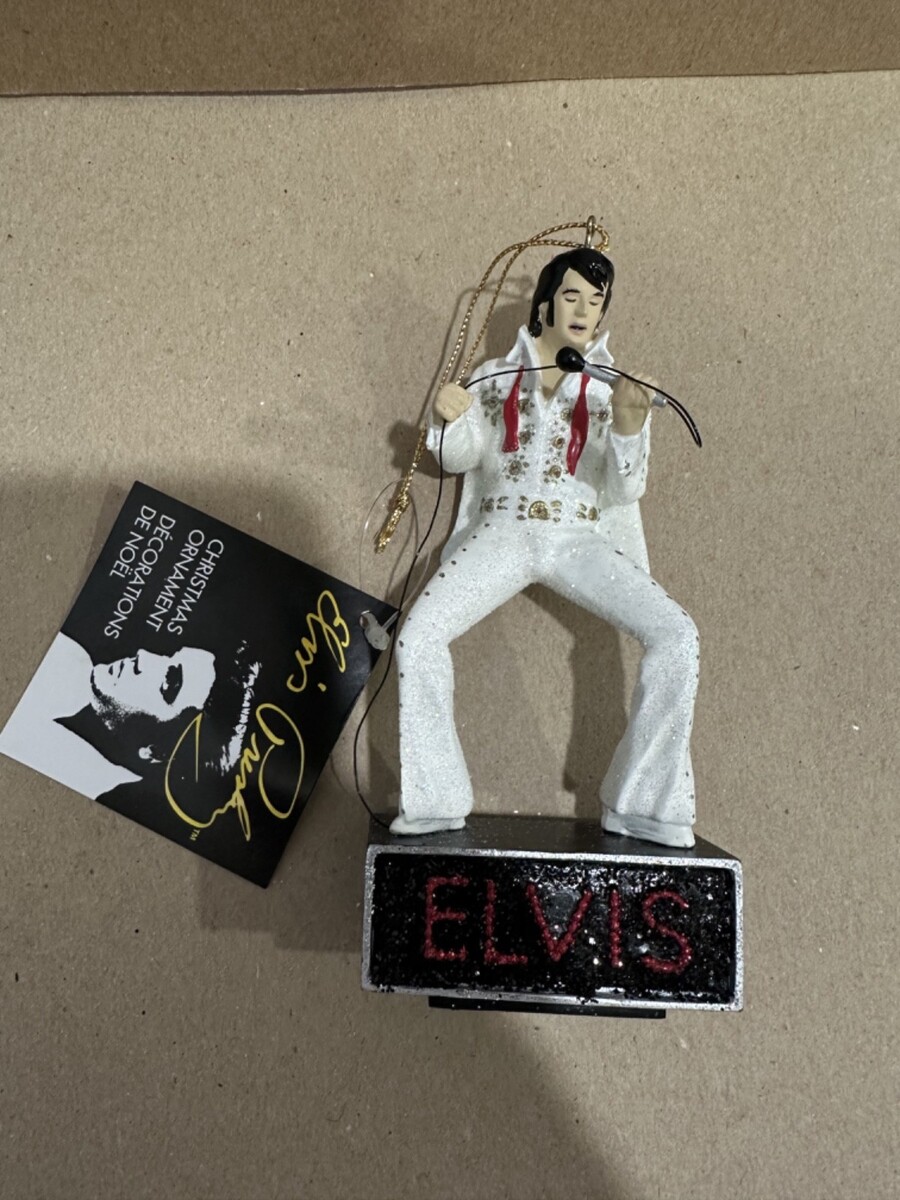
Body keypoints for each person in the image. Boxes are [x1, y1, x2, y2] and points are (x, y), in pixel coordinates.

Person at [391, 246, 700, 848]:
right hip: (502, 530)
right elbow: (460, 456)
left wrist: (631, 426)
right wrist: (451, 418)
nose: (583, 311)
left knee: (678, 635)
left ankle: (644, 803)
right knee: (417, 637)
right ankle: (434, 798)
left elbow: (624, 487)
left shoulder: (613, 388)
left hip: (576, 536)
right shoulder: (496, 374)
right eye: (572, 296)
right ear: (546, 303)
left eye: (595, 301)